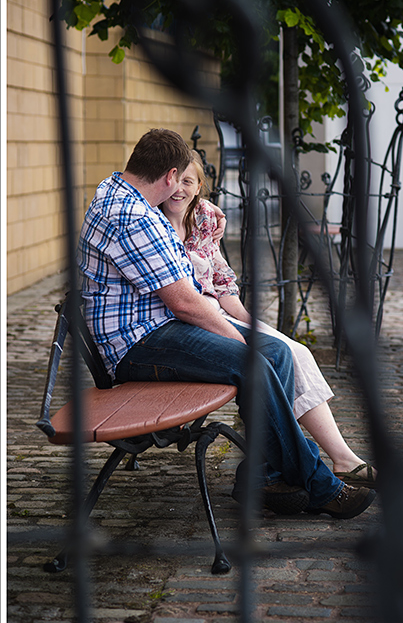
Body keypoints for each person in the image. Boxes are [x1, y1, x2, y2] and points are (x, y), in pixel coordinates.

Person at [77, 128, 376, 519]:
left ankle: (263, 475)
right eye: (178, 179)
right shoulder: (133, 215)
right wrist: (239, 339)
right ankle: (321, 485)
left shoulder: (118, 192)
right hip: (138, 343)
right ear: (169, 175)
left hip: (157, 328)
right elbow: (185, 303)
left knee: (276, 352)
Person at [159, 150, 377, 488]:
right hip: (187, 326)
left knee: (295, 350)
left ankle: (342, 456)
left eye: (188, 182)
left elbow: (221, 283)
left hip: (216, 314)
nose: (179, 189)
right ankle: (285, 463)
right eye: (175, 180)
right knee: (277, 356)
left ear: (200, 186)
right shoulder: (152, 224)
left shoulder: (203, 219)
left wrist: (252, 322)